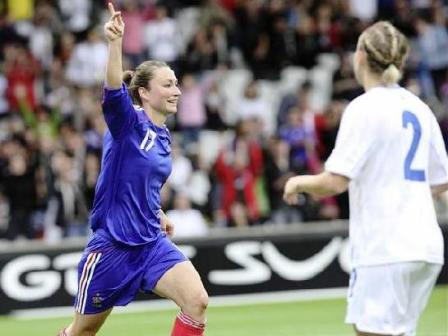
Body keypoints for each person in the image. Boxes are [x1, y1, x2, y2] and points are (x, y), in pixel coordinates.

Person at [283, 21, 448, 336]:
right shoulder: (420, 108)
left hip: (385, 247)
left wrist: (297, 182)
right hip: (425, 246)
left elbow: (335, 182)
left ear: (360, 57)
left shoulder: (363, 108)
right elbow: (440, 180)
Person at [58, 3, 208, 336]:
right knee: (82, 333)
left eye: (177, 83)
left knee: (197, 301)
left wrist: (157, 211)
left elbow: (141, 184)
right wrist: (115, 44)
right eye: (168, 85)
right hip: (113, 246)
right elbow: (112, 89)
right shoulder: (127, 123)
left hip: (151, 243)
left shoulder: (164, 136)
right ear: (143, 92)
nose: (177, 91)